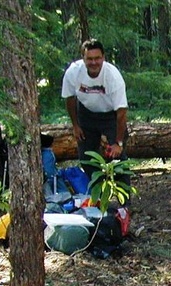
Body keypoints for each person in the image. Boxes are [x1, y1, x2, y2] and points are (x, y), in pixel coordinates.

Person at [61, 39, 129, 185]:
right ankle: (97, 195)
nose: (94, 63)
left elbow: (122, 113)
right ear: (83, 58)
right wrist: (75, 125)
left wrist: (118, 142)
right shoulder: (73, 72)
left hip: (110, 116)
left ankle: (125, 204)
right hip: (86, 114)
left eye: (97, 58)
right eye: (89, 59)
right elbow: (70, 98)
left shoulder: (113, 77)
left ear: (103, 58)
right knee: (86, 158)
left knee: (117, 159)